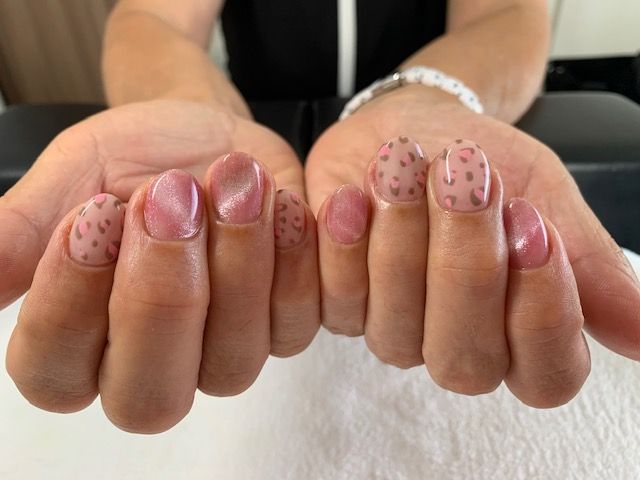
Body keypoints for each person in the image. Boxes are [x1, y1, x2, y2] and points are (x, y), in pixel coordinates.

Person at [1, 0, 638, 434]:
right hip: (249, 149)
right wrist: (188, 102)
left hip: (418, 161)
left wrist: (425, 93)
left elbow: (506, 13)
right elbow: (152, 18)